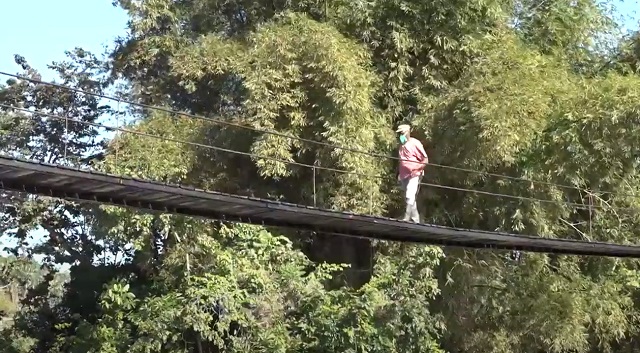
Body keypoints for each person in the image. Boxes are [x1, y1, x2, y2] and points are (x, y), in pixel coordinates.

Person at [396, 124, 428, 223]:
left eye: (402, 133)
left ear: (407, 133)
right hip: (404, 175)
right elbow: (401, 160)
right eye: (399, 134)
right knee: (409, 198)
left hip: (414, 174)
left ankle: (406, 217)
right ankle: (416, 221)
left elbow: (425, 160)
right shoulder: (402, 144)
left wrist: (416, 168)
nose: (400, 136)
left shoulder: (415, 143)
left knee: (410, 195)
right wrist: (398, 173)